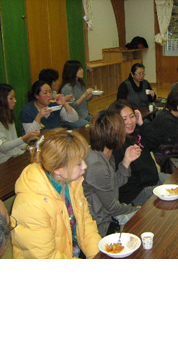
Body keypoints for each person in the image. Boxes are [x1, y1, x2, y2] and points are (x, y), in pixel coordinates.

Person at [11, 128, 101, 259]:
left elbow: (85, 224)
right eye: (79, 163)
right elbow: (45, 258)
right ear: (58, 169)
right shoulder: (32, 203)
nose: (85, 166)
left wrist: (96, 255)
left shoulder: (72, 182)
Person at [83, 110, 142, 237]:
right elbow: (112, 208)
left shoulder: (105, 153)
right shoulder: (96, 165)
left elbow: (113, 184)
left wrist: (127, 161)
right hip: (100, 225)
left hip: (108, 216)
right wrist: (136, 209)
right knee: (144, 219)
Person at [110, 100, 170, 206]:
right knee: (172, 195)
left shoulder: (136, 133)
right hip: (137, 192)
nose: (130, 122)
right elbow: (120, 181)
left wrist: (142, 124)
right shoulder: (116, 145)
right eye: (124, 119)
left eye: (132, 116)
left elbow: (155, 141)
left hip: (153, 179)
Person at [0, 83, 39, 163]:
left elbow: (14, 141)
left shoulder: (8, 116)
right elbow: (3, 147)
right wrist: (25, 137)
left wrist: (27, 147)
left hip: (16, 154)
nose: (15, 100)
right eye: (11, 98)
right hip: (5, 160)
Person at [60, 60, 94, 127]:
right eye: (79, 69)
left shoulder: (80, 83)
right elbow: (73, 107)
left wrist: (91, 94)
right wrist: (84, 95)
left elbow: (85, 100)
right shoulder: (67, 88)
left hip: (84, 115)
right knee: (88, 127)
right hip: (74, 119)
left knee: (100, 121)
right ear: (72, 71)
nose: (82, 71)